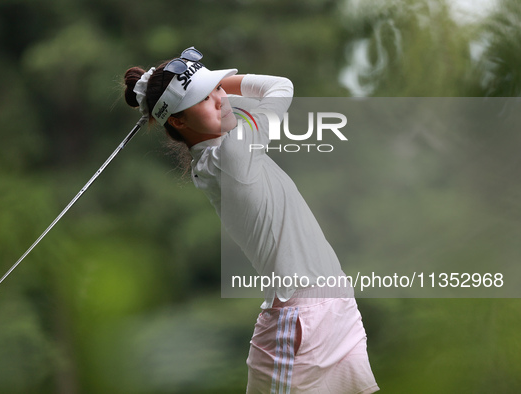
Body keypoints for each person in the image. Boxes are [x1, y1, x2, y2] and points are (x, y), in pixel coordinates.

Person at [123, 47, 379, 393]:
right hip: (301, 322)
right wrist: (212, 82)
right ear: (179, 122)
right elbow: (280, 88)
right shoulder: (232, 155)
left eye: (216, 89)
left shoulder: (223, 148)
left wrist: (195, 87)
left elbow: (225, 112)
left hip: (333, 309)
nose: (220, 99)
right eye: (204, 97)